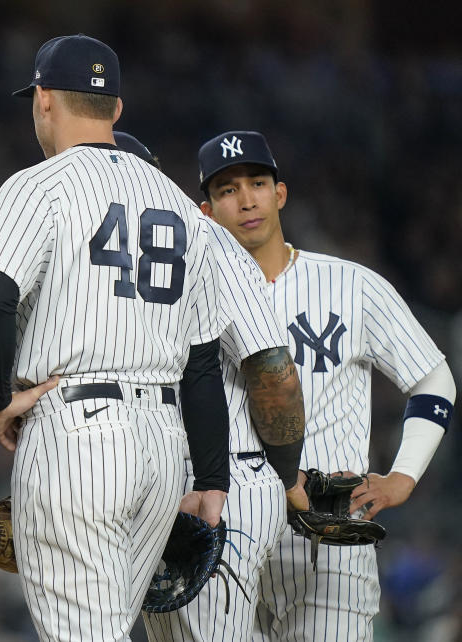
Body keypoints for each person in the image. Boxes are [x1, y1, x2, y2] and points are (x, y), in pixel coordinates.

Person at [0, 34, 231, 641]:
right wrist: (212, 480)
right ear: (115, 109)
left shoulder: (39, 185)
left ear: (44, 99)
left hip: (78, 435)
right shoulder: (183, 206)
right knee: (109, 628)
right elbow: (202, 361)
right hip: (164, 451)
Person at [195, 130, 455, 640]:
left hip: (327, 528)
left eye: (256, 183)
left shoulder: (350, 284)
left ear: (280, 194)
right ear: (207, 211)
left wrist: (403, 475)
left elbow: (433, 377)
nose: (246, 199)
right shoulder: (189, 297)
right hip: (226, 527)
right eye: (227, 189)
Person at [112, 141, 310, 639]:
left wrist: (288, 478)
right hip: (160, 478)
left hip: (227, 480)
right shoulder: (111, 252)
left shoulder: (206, 242)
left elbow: (273, 371)